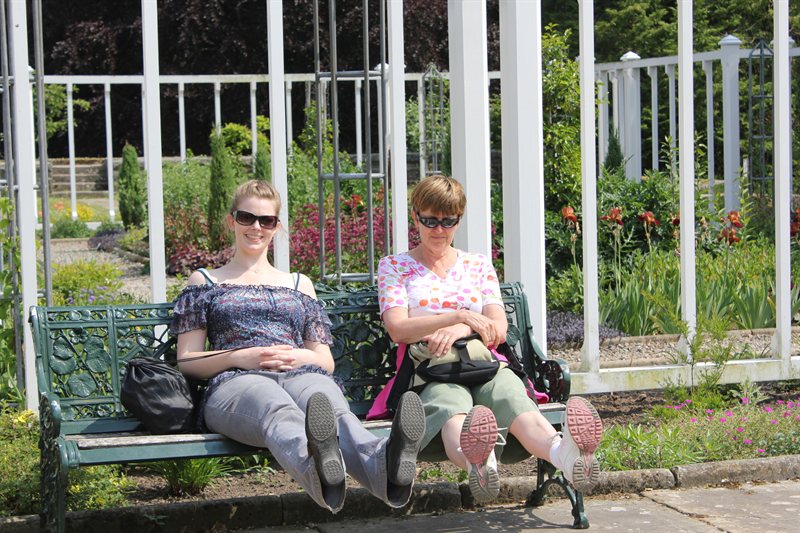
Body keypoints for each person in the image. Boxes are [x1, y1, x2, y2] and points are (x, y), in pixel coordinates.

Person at [171, 179, 426, 513]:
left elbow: (325, 360)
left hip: (300, 371)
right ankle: (319, 467)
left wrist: (299, 355)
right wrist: (240, 356)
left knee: (332, 411)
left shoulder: (297, 283)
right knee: (276, 407)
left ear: (277, 227)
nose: (256, 228)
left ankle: (385, 462)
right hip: (235, 383)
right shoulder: (205, 281)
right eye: (247, 218)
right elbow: (187, 360)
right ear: (231, 221)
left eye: (267, 220)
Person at [370, 174, 603, 503]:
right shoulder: (394, 266)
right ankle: (479, 463)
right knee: (452, 408)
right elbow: (398, 328)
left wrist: (461, 329)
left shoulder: (477, 265)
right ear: (415, 216)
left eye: (448, 221)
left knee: (513, 399)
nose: (439, 230)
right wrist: (460, 315)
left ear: (459, 219)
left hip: (483, 361)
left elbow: (498, 328)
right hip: (432, 366)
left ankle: (565, 456)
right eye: (430, 220)